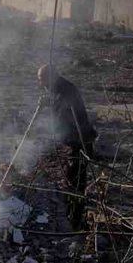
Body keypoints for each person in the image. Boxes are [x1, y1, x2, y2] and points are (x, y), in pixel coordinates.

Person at [38, 64, 97, 227]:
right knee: (71, 179)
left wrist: (50, 105)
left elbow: (64, 113)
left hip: (79, 142)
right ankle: (71, 215)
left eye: (42, 79)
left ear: (50, 76)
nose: (41, 83)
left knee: (76, 181)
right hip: (73, 141)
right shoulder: (58, 88)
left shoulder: (65, 90)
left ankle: (75, 219)